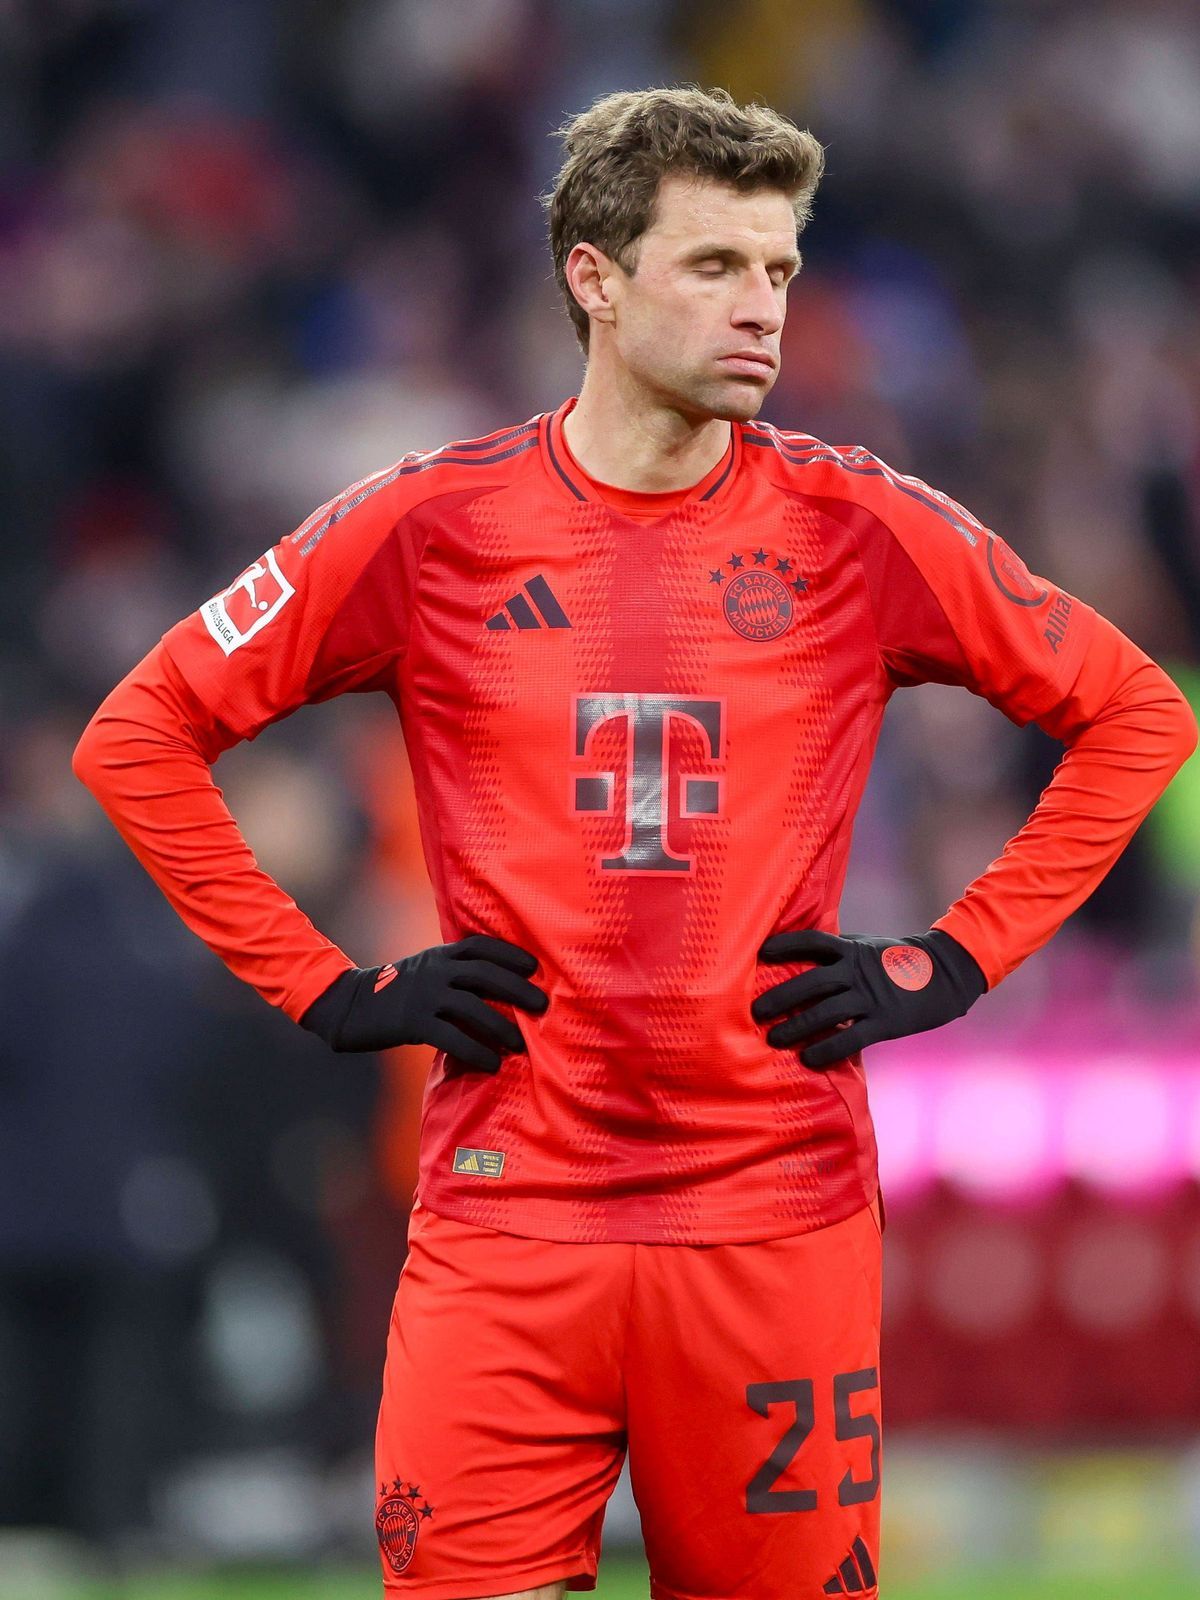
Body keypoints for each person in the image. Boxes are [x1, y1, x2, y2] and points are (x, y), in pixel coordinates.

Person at [72, 86, 1196, 1600]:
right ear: (592, 277)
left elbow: (1134, 713)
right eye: (716, 266)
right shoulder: (430, 527)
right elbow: (137, 737)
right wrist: (329, 987)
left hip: (771, 1224)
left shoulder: (860, 528)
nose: (764, 310)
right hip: (506, 1226)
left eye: (781, 269)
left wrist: (954, 958)